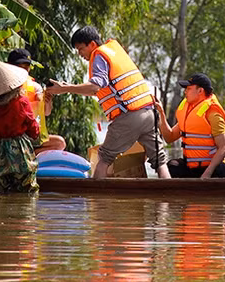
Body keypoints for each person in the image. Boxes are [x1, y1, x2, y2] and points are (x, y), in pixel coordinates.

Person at [47, 26, 170, 179]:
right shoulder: (115, 51)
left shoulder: (99, 55)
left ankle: (97, 200)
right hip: (149, 113)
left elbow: (94, 87)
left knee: (104, 158)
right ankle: (167, 199)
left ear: (92, 44)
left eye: (81, 49)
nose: (80, 54)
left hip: (128, 116)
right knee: (159, 160)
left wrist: (65, 88)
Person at [154, 73, 225, 178]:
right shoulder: (188, 111)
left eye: (189, 88)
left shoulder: (213, 113)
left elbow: (223, 148)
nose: (185, 91)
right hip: (191, 167)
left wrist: (208, 173)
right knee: (171, 166)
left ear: (200, 91)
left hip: (211, 168)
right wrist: (161, 115)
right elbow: (169, 137)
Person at [0, 61, 40, 193]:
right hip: (18, 150)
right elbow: (32, 126)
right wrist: (36, 135)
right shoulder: (21, 101)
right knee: (26, 190)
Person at [7, 48, 67, 155]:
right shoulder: (3, 85)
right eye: (20, 67)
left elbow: (46, 112)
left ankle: (29, 155)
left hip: (29, 135)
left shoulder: (35, 87)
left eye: (27, 67)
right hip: (9, 135)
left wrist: (47, 101)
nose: (24, 70)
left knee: (59, 143)